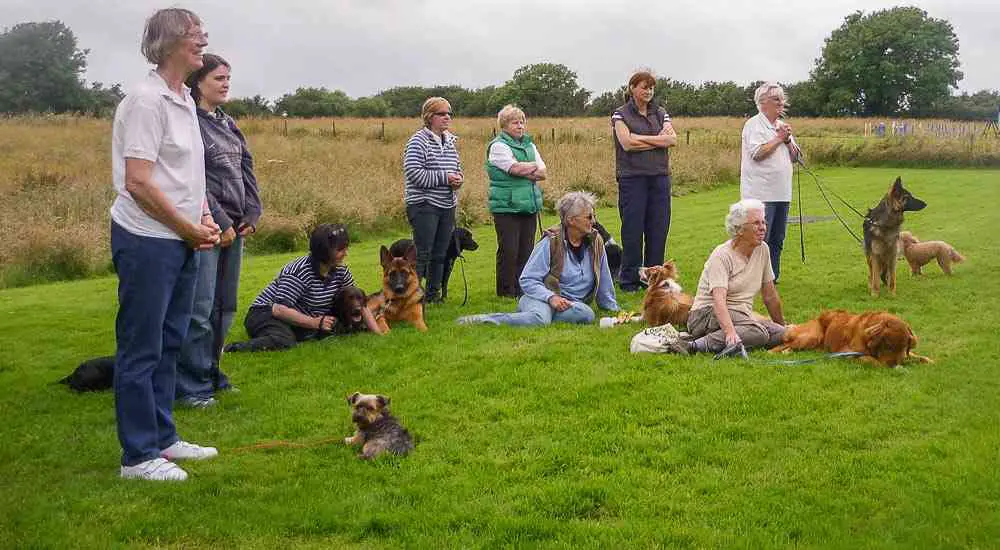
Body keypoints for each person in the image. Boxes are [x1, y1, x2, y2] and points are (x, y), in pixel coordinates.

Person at [110, 8, 220, 482]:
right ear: (172, 41)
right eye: (197, 35)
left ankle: (163, 438)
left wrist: (205, 217)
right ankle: (137, 457)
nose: (204, 41)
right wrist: (187, 228)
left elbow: (185, 177)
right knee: (141, 348)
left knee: (170, 341)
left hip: (180, 238)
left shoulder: (184, 101)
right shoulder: (145, 101)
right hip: (148, 240)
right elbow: (138, 182)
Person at [174, 53, 263, 408]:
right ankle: (190, 386)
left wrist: (252, 213)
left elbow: (246, 170)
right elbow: (194, 179)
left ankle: (212, 371)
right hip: (207, 227)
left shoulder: (229, 124)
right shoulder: (189, 123)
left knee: (224, 307)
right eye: (218, 78)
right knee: (200, 308)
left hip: (236, 228)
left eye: (228, 78)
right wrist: (222, 223)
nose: (226, 84)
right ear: (198, 82)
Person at [457, 192, 619, 327]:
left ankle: (538, 316)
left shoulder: (596, 241)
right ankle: (482, 320)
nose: (594, 221)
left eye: (594, 216)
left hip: (571, 305)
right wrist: (551, 298)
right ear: (571, 220)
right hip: (541, 297)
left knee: (586, 314)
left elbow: (604, 277)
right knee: (540, 319)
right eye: (589, 217)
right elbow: (527, 279)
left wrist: (613, 309)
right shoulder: (551, 242)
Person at [224, 224, 382, 352]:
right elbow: (279, 309)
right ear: (324, 251)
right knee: (285, 341)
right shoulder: (298, 272)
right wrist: (314, 322)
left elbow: (359, 302)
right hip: (266, 313)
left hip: (301, 314)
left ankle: (304, 331)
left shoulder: (341, 270)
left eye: (346, 248)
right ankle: (232, 348)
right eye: (340, 250)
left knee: (337, 329)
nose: (345, 254)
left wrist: (378, 335)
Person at [679, 199, 786, 354]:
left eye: (764, 222)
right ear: (740, 229)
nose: (763, 228)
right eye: (756, 223)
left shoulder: (763, 249)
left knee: (782, 334)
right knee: (759, 334)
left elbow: (770, 296)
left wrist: (781, 326)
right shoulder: (722, 255)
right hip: (705, 315)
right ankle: (693, 346)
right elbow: (719, 301)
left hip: (742, 316)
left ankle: (736, 337)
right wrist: (730, 333)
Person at [611, 70, 678, 292]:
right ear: (632, 88)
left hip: (659, 178)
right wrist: (658, 140)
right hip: (633, 178)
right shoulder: (620, 114)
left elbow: (672, 139)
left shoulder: (660, 113)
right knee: (632, 229)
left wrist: (640, 138)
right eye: (643, 87)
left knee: (658, 229)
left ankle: (654, 278)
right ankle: (629, 279)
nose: (648, 91)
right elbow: (626, 144)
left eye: (651, 87)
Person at [402, 97, 463, 303]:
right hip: (424, 205)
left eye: (449, 114)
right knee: (422, 254)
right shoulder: (418, 141)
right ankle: (413, 296)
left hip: (447, 205)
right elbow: (414, 173)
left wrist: (457, 181)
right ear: (430, 117)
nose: (447, 117)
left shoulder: (450, 141)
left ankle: (432, 295)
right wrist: (445, 178)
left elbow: (456, 169)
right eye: (442, 113)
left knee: (440, 253)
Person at [740, 82, 802, 282]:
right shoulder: (754, 125)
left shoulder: (782, 127)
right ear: (762, 103)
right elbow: (758, 153)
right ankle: (752, 277)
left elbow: (797, 158)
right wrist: (778, 139)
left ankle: (772, 277)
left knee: (777, 239)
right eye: (776, 99)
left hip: (782, 192)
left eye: (782, 99)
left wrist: (787, 141)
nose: (781, 103)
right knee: (758, 238)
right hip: (760, 193)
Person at [486, 104, 546, 298]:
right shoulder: (498, 146)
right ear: (504, 125)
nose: (520, 126)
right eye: (515, 122)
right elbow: (514, 168)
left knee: (526, 250)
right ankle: (505, 291)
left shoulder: (529, 145)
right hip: (506, 206)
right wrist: (530, 168)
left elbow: (543, 172)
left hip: (529, 204)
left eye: (522, 122)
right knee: (509, 250)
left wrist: (526, 169)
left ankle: (522, 288)